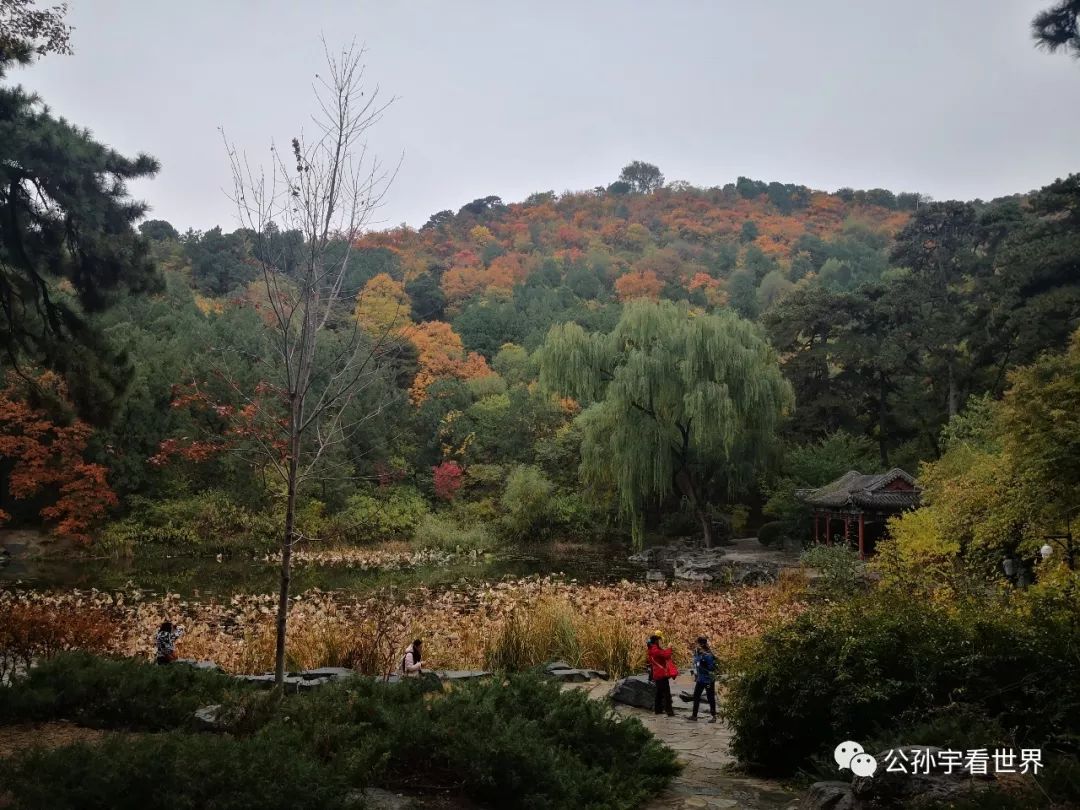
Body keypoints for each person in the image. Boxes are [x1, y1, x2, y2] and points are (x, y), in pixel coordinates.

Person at [687, 636, 717, 722]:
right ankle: (694, 715)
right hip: (700, 679)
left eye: (698, 643)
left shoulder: (708, 655)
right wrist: (694, 671)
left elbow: (711, 668)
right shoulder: (698, 653)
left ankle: (714, 716)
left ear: (701, 644)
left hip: (708, 680)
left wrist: (704, 666)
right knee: (696, 696)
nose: (696, 645)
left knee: (710, 697)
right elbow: (695, 663)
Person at [646, 632, 676, 716]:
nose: (661, 641)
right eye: (660, 640)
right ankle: (669, 711)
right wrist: (669, 648)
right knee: (666, 693)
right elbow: (666, 655)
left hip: (657, 674)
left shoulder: (652, 648)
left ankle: (658, 710)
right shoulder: (655, 650)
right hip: (661, 674)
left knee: (659, 693)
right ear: (656, 641)